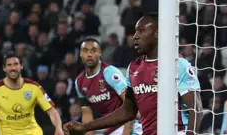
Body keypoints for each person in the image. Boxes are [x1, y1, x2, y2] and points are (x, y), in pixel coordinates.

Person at [64, 14, 202, 135]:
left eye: (141, 31)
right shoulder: (134, 68)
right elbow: (128, 111)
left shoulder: (177, 64)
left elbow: (196, 109)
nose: (135, 36)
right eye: (135, 32)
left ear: (157, 33)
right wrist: (86, 127)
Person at [0, 53, 64, 135]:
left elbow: (52, 111)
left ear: (21, 66)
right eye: (9, 65)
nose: (13, 68)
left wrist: (59, 127)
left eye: (16, 64)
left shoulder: (34, 87)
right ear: (4, 68)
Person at [75, 38, 141, 135]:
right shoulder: (79, 82)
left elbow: (130, 104)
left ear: (100, 53)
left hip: (129, 126)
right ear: (80, 54)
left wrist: (126, 132)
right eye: (85, 51)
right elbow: (87, 114)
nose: (89, 55)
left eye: (93, 51)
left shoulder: (109, 72)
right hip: (110, 129)